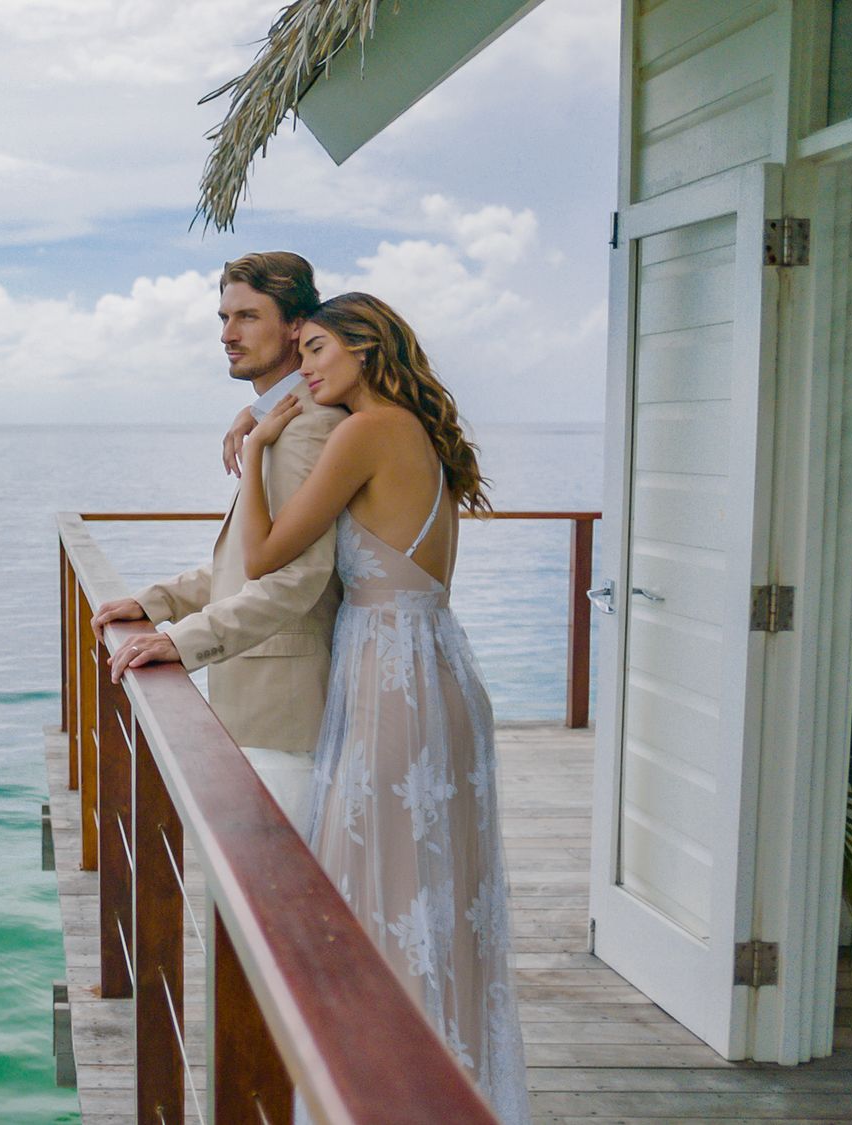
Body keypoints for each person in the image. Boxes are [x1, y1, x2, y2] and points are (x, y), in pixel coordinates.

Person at [235, 292, 529, 1123]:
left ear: (365, 347)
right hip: (439, 673)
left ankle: (381, 1096)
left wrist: (258, 448)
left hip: (392, 683)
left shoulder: (365, 431)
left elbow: (262, 557)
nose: (307, 365)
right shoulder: (419, 431)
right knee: (431, 898)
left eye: (319, 347)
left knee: (375, 894)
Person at [90, 251, 347, 833]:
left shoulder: (307, 428)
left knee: (277, 901)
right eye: (223, 318)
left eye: (248, 317)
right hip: (258, 702)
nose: (228, 336)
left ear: (297, 326)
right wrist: (158, 602)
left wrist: (180, 640)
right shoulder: (277, 418)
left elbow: (296, 579)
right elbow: (250, 557)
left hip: (285, 711)